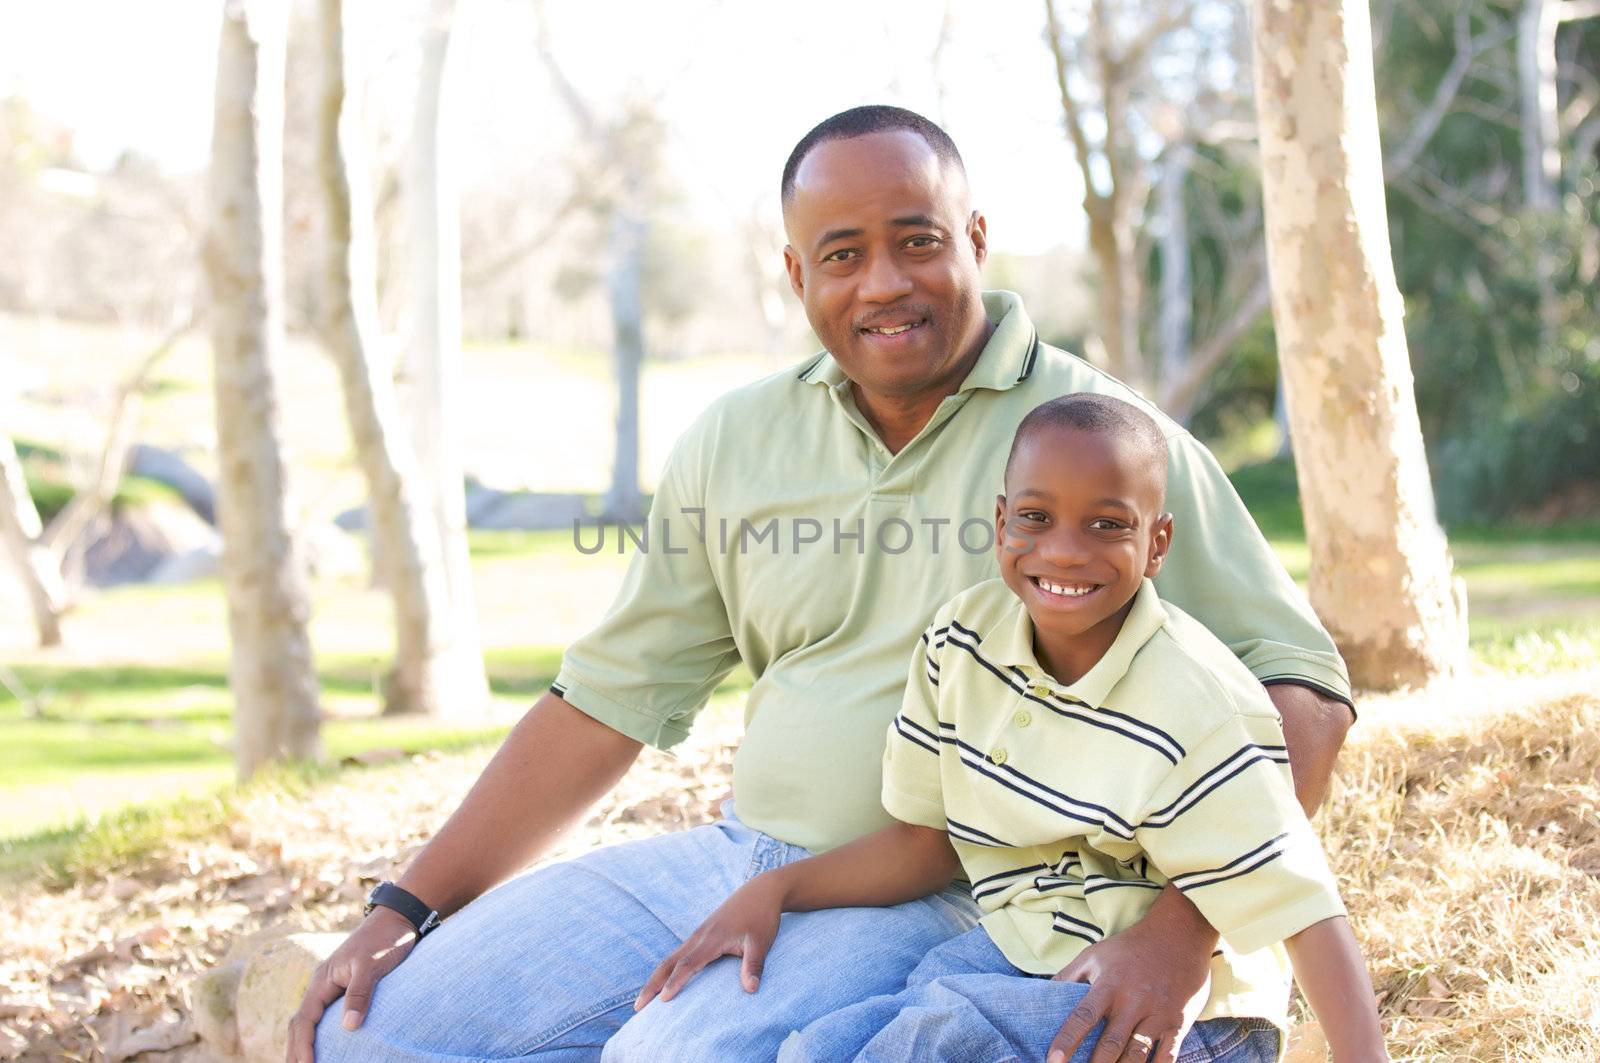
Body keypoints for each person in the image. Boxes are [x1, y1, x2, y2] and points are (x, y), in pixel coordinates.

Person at [296, 105, 1358, 1063]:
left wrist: (1180, 928)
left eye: (917, 241)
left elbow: (1300, 696)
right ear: (796, 276)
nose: (884, 282)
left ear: (975, 241)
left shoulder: (1098, 445)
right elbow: (602, 704)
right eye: (842, 254)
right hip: (743, 856)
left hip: (959, 884)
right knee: (371, 1037)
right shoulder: (738, 437)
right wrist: (404, 906)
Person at [634, 394, 1388, 1063]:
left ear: (1157, 543)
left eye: (1107, 524)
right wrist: (776, 887)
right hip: (1017, 950)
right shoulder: (960, 642)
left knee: (917, 1045)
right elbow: (922, 843)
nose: (1064, 548)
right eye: (1036, 517)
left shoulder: (1198, 702)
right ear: (1001, 522)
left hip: (1182, 1017)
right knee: (820, 1046)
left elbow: (1306, 908)